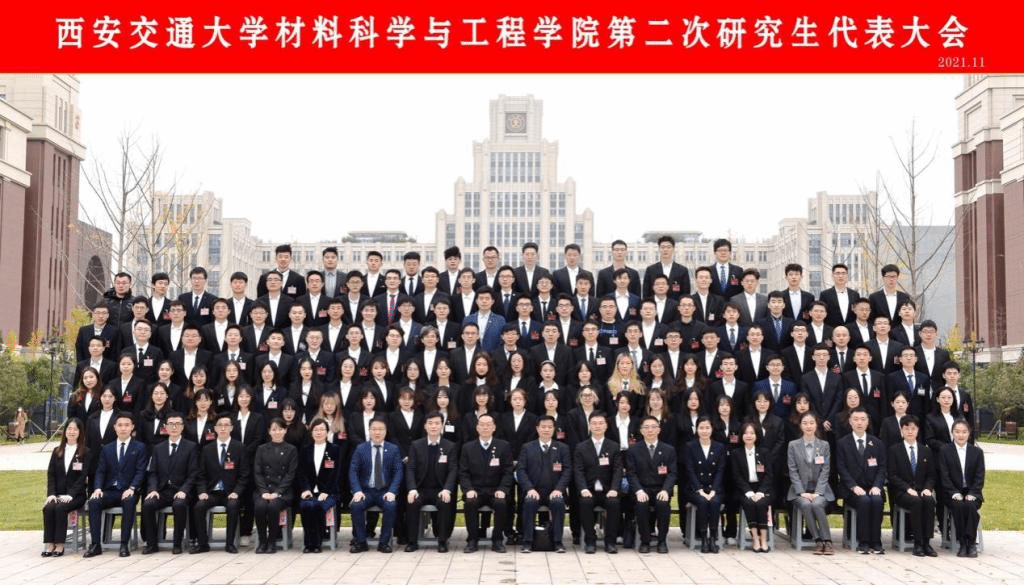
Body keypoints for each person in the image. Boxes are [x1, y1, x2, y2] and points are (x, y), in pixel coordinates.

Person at [85, 411, 148, 558]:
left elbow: (140, 472)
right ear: (114, 427)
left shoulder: (140, 447)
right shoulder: (107, 448)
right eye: (120, 425)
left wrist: (132, 488)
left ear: (132, 427)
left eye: (126, 425)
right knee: (94, 501)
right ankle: (95, 544)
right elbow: (100, 471)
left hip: (128, 490)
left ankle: (124, 544)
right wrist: (98, 488)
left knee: (128, 501)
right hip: (109, 491)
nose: (123, 428)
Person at [141, 411, 198, 555]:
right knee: (148, 504)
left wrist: (184, 490)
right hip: (162, 490)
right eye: (171, 424)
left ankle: (177, 543)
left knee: (179, 505)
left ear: (183, 427)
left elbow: (193, 474)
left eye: (178, 424)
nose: (174, 427)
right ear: (165, 427)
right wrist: (153, 489)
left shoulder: (191, 447)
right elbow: (152, 473)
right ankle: (152, 544)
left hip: (181, 490)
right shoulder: (158, 448)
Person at [192, 414, 249, 554]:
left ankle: (230, 544)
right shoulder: (207, 449)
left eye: (226, 425)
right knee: (198, 507)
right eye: (220, 425)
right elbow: (200, 475)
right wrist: (202, 491)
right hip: (212, 492)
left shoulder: (239, 447)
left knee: (233, 506)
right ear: (215, 428)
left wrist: (237, 492)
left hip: (231, 492)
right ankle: (203, 544)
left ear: (231, 428)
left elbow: (244, 474)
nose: (223, 428)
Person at [404, 411, 459, 553]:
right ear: (425, 426)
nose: (433, 426)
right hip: (421, 489)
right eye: (430, 423)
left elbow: (453, 470)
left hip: (440, 489)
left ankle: (442, 541)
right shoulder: (416, 445)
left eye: (437, 423)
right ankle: (412, 541)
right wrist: (412, 489)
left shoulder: (450, 446)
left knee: (445, 502)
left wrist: (447, 489)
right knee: (412, 502)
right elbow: (410, 469)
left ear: (442, 426)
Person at [460, 413, 514, 553]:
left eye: (488, 425)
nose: (485, 428)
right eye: (482, 425)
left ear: (494, 427)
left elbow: (508, 471)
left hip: (495, 490)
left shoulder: (503, 446)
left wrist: (503, 489)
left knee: (501, 503)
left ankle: (497, 540)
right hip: (475, 490)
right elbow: (463, 473)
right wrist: (468, 489)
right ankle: (472, 540)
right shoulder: (467, 447)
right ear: (477, 427)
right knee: (470, 503)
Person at [516, 415, 571, 553]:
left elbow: (567, 470)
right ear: (537, 428)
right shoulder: (527, 447)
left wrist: (559, 489)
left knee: (558, 503)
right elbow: (521, 470)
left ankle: (557, 542)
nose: (546, 430)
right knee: (529, 502)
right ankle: (527, 542)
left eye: (549, 427)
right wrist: (529, 488)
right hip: (534, 490)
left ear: (554, 429)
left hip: (554, 491)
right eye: (543, 427)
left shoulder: (562, 448)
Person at [349, 416, 403, 553]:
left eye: (381, 429)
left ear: (386, 431)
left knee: (390, 506)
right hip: (366, 491)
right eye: (374, 429)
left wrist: (392, 491)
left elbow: (398, 472)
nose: (377, 432)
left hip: (385, 491)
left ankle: (384, 543)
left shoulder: (393, 449)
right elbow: (353, 471)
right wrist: (357, 491)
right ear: (369, 431)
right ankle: (361, 542)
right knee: (356, 506)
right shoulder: (361, 448)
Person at [836, 407, 886, 554]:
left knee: (877, 500)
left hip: (872, 487)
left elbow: (882, 467)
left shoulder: (876, 443)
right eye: (856, 419)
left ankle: (876, 542)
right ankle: (863, 542)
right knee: (864, 501)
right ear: (850, 422)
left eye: (863, 419)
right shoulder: (843, 443)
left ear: (868, 422)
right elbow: (841, 468)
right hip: (852, 489)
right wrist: (853, 486)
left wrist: (877, 486)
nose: (859, 422)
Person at [887, 415, 937, 557]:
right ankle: (918, 543)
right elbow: (892, 475)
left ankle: (927, 542)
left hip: (922, 490)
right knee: (916, 501)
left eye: (913, 429)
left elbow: (931, 475)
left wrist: (928, 488)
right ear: (901, 430)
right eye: (906, 428)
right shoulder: (894, 450)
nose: (910, 432)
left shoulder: (925, 451)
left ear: (918, 430)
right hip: (902, 491)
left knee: (929, 500)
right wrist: (907, 488)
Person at [787, 412, 835, 555]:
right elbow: (793, 471)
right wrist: (802, 492)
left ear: (816, 425)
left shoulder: (824, 445)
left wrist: (818, 492)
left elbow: (825, 471)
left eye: (811, 423)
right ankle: (818, 540)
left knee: (817, 504)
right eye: (805, 423)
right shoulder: (793, 445)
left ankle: (828, 541)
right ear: (800, 426)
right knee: (806, 504)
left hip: (820, 490)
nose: (808, 426)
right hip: (800, 490)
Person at [627, 415, 677, 554]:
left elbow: (672, 473)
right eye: (646, 427)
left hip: (661, 489)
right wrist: (638, 490)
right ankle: (645, 540)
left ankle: (662, 541)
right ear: (641, 431)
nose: (650, 430)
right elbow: (631, 473)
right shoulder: (633, 450)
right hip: (642, 489)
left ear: (659, 430)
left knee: (663, 505)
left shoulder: (669, 449)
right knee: (642, 505)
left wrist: (666, 490)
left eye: (653, 427)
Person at [574, 411, 622, 554]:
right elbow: (578, 471)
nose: (597, 426)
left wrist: (614, 489)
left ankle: (610, 542)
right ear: (589, 426)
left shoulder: (614, 446)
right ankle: (590, 541)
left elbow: (618, 470)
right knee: (585, 502)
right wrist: (583, 489)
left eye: (601, 423)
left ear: (606, 426)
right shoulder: (581, 447)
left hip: (608, 490)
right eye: (594, 423)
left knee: (614, 503)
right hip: (589, 489)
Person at [42, 418, 89, 557]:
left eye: (75, 429)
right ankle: (50, 543)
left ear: (80, 432)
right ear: (65, 431)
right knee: (49, 508)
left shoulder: (85, 452)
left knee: (60, 508)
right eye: (69, 429)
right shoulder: (57, 451)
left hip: (76, 496)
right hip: (58, 494)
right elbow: (51, 474)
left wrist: (71, 495)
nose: (71, 432)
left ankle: (60, 544)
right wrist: (51, 494)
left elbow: (82, 477)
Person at [939, 419, 985, 558]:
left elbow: (979, 476)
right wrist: (954, 492)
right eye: (957, 432)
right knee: (959, 506)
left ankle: (970, 543)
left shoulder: (977, 452)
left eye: (964, 432)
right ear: (952, 433)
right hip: (951, 492)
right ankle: (963, 542)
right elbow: (944, 476)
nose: (961, 435)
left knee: (970, 506)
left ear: (969, 434)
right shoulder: (945, 450)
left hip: (972, 491)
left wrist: (973, 493)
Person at [252, 418, 298, 553]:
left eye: (280, 429)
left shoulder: (291, 449)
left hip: (283, 491)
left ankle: (272, 541)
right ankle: (262, 541)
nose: (277, 432)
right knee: (260, 506)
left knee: (273, 506)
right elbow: (258, 472)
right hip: (263, 490)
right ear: (269, 431)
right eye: (274, 429)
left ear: (285, 431)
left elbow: (290, 474)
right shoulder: (261, 449)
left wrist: (278, 492)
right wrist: (264, 491)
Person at [297, 418, 341, 553]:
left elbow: (336, 473)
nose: (319, 432)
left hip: (329, 492)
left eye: (322, 429)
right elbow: (301, 472)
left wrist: (326, 491)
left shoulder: (334, 449)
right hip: (310, 491)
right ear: (311, 432)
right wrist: (305, 489)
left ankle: (317, 543)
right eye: (316, 430)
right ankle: (308, 543)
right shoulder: (306, 449)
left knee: (318, 507)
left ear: (327, 432)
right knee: (306, 506)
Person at [684, 416, 727, 553]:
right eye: (701, 428)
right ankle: (703, 538)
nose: (704, 431)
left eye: (707, 428)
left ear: (712, 429)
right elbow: (690, 470)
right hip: (695, 488)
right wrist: (700, 490)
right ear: (696, 429)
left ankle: (712, 538)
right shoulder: (690, 446)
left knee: (714, 502)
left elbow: (720, 470)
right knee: (702, 502)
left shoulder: (719, 447)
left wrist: (714, 490)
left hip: (715, 488)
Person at [732, 421, 773, 552]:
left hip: (762, 489)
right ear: (741, 435)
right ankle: (755, 538)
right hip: (745, 489)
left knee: (761, 504)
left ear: (757, 435)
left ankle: (763, 539)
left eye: (752, 433)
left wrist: (760, 492)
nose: (749, 435)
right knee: (749, 503)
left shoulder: (764, 452)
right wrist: (749, 492)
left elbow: (769, 475)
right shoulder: (736, 453)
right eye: (746, 433)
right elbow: (737, 476)